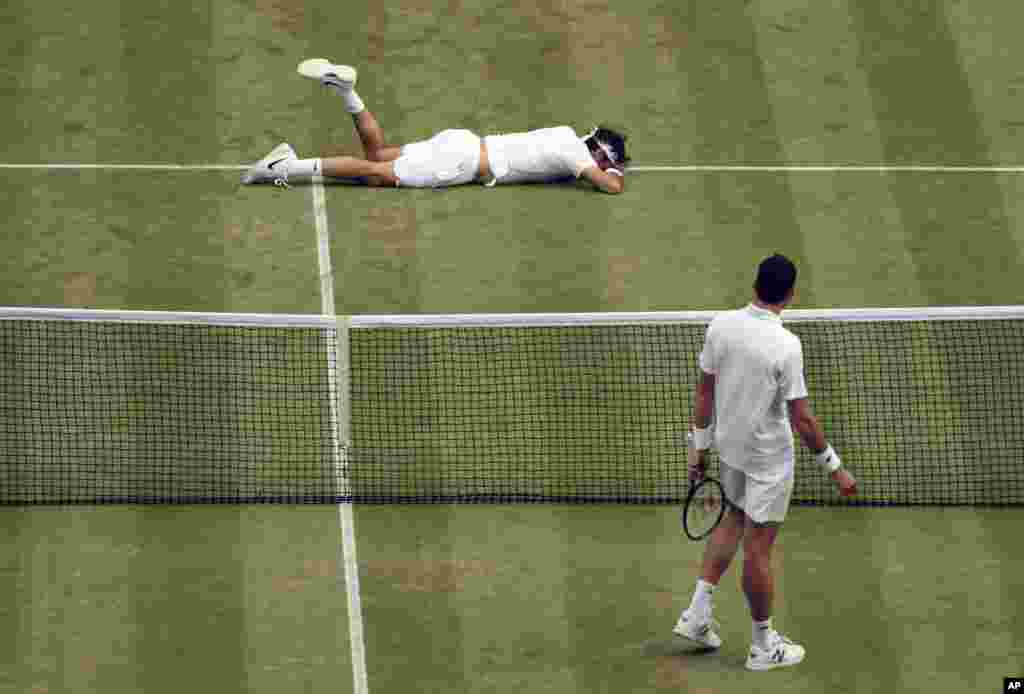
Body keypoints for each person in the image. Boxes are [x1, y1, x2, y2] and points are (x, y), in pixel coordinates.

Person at [672, 254, 858, 671]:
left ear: (755, 285)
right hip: (768, 461)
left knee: (732, 520)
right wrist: (835, 466)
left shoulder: (721, 325)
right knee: (758, 550)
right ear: (790, 295)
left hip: (730, 449)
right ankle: (762, 646)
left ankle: (697, 615)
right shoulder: (786, 346)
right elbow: (802, 420)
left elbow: (705, 392)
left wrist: (698, 448)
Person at [241, 60, 628, 194]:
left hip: (460, 141)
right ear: (598, 152)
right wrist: (611, 170)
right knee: (376, 174)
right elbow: (610, 186)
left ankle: (347, 93)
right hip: (460, 163)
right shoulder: (578, 155)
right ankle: (282, 168)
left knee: (377, 156)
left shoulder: (563, 134)